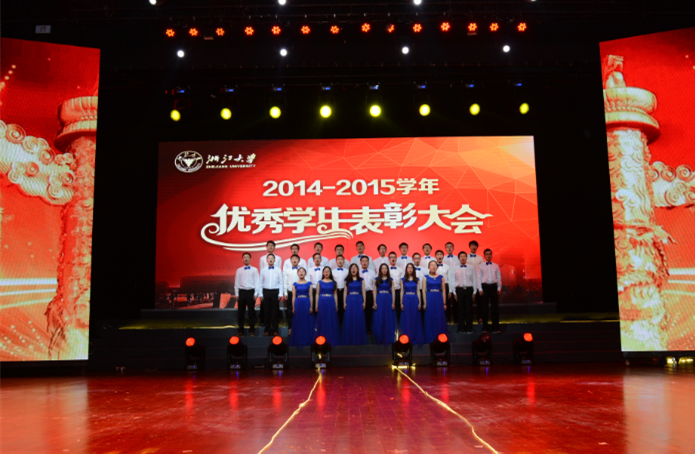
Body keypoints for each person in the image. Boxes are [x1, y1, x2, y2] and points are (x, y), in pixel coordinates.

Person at [340, 263, 367, 345]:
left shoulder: (361, 280)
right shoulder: (346, 280)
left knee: (358, 318)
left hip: (359, 299)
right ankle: (349, 339)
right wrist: (344, 302)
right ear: (350, 270)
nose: (353, 269)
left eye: (355, 268)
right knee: (349, 319)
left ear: (357, 270)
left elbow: (363, 291)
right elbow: (345, 292)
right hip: (349, 299)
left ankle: (358, 339)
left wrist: (364, 301)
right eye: (352, 268)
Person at [234, 252, 261, 337]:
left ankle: (252, 330)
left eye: (247, 257)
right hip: (242, 292)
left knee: (251, 312)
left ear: (250, 259)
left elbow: (257, 282)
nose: (246, 259)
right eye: (244, 257)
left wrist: (256, 293)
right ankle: (240, 331)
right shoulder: (239, 270)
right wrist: (237, 294)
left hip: (251, 292)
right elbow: (236, 283)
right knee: (240, 312)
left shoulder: (255, 270)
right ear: (242, 259)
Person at [477, 249, 502, 333]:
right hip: (485, 287)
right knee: (484, 308)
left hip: (494, 287)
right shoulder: (481, 266)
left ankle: (496, 327)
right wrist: (480, 289)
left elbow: (499, 277)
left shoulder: (496, 265)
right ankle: (485, 327)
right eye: (487, 254)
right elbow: (479, 277)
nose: (488, 255)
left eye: (490, 254)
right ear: (484, 256)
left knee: (495, 308)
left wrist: (499, 288)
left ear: (492, 255)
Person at [260, 254, 284, 336]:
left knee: (275, 312)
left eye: (272, 258)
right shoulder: (263, 270)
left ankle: (275, 330)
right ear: (266, 260)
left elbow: (281, 282)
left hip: (275, 291)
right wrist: (260, 294)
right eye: (269, 258)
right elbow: (260, 282)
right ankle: (267, 330)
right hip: (265, 291)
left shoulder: (278, 270)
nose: (270, 259)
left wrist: (280, 293)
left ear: (274, 260)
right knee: (266, 311)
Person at [453, 252, 477, 333]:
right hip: (459, 290)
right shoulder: (455, 268)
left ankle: (469, 328)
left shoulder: (471, 267)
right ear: (459, 258)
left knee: (469, 310)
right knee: (460, 310)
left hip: (469, 290)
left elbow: (474, 279)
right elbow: (453, 280)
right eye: (461, 256)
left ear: (466, 258)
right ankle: (461, 328)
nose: (463, 258)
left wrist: (474, 291)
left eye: (464, 256)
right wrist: (454, 292)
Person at [315, 266, 340, 345]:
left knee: (330, 320)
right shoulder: (319, 282)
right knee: (322, 319)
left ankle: (330, 338)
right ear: (323, 273)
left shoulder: (334, 283)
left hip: (331, 301)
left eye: (328, 271)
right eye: (325, 271)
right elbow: (317, 294)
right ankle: (321, 339)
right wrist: (316, 305)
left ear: (330, 273)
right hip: (322, 301)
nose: (326, 273)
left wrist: (336, 304)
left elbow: (335, 294)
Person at [423, 260, 447, 343]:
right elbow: (423, 291)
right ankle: (430, 337)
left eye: (435, 265)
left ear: (437, 267)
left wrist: (444, 303)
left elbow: (444, 290)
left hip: (438, 298)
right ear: (429, 267)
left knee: (439, 317)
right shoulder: (425, 277)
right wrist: (425, 303)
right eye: (431, 265)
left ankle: (440, 337)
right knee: (430, 316)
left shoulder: (441, 277)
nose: (433, 267)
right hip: (429, 297)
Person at [289, 267, 315, 347]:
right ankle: (298, 339)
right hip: (298, 303)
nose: (301, 273)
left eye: (303, 271)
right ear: (297, 273)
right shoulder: (295, 284)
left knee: (307, 321)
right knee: (298, 321)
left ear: (305, 273)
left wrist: (311, 307)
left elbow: (311, 295)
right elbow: (293, 296)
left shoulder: (309, 284)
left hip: (306, 302)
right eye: (299, 271)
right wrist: (293, 307)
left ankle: (308, 339)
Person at [400, 263, 424, 345]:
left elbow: (418, 291)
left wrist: (420, 302)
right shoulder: (403, 279)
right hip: (406, 299)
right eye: (408, 268)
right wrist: (401, 302)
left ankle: (415, 336)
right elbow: (402, 291)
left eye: (411, 268)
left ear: (413, 269)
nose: (410, 269)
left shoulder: (417, 279)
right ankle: (407, 337)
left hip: (414, 299)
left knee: (415, 318)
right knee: (407, 318)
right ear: (406, 269)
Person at [372, 263, 397, 345]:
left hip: (388, 299)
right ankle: (380, 337)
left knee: (388, 318)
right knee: (380, 318)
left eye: (385, 268)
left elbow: (393, 291)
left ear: (387, 270)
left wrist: (393, 302)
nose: (384, 270)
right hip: (379, 299)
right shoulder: (376, 279)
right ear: (380, 270)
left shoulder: (391, 279)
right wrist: (374, 302)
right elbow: (375, 291)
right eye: (382, 268)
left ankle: (388, 337)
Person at [259, 241, 281, 326]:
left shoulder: (278, 258)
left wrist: (280, 291)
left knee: (275, 309)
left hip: (275, 286)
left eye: (272, 245)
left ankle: (275, 326)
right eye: (269, 245)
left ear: (274, 247)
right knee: (265, 308)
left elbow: (279, 274)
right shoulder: (262, 258)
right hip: (266, 286)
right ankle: (264, 324)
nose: (270, 247)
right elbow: (261, 274)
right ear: (266, 247)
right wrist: (260, 292)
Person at [435, 249, 454, 324]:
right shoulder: (433, 266)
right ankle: (437, 319)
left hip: (445, 285)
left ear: (443, 256)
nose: (439, 256)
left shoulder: (447, 266)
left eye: (441, 254)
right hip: (436, 285)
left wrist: (450, 290)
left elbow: (450, 279)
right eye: (438, 254)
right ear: (435, 256)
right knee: (437, 303)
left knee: (446, 303)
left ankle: (447, 319)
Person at [283, 254, 301, 335]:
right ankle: (290, 329)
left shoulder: (302, 270)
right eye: (293, 259)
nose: (294, 260)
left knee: (299, 311)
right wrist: (285, 292)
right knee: (290, 312)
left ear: (299, 261)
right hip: (290, 293)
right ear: (290, 261)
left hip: (299, 294)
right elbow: (285, 282)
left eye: (296, 259)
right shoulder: (287, 270)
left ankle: (299, 329)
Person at [359, 256, 376, 334]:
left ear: (368, 263)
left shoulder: (373, 272)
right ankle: (361, 328)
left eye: (366, 261)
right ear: (360, 262)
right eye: (363, 261)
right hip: (360, 294)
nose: (364, 262)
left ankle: (369, 329)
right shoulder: (358, 272)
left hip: (369, 293)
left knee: (369, 311)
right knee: (360, 311)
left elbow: (374, 285)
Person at [387, 252, 404, 323]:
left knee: (398, 309)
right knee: (388, 309)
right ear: (389, 259)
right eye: (391, 257)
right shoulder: (385, 269)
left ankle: (398, 326)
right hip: (388, 292)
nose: (393, 259)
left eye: (394, 257)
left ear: (396, 259)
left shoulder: (400, 270)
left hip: (398, 292)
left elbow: (402, 283)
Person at [333, 255, 349, 326]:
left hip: (345, 292)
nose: (340, 261)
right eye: (338, 259)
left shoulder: (347, 271)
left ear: (344, 261)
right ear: (336, 261)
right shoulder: (332, 271)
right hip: (335, 292)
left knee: (344, 309)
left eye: (341, 259)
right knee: (336, 309)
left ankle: (344, 325)